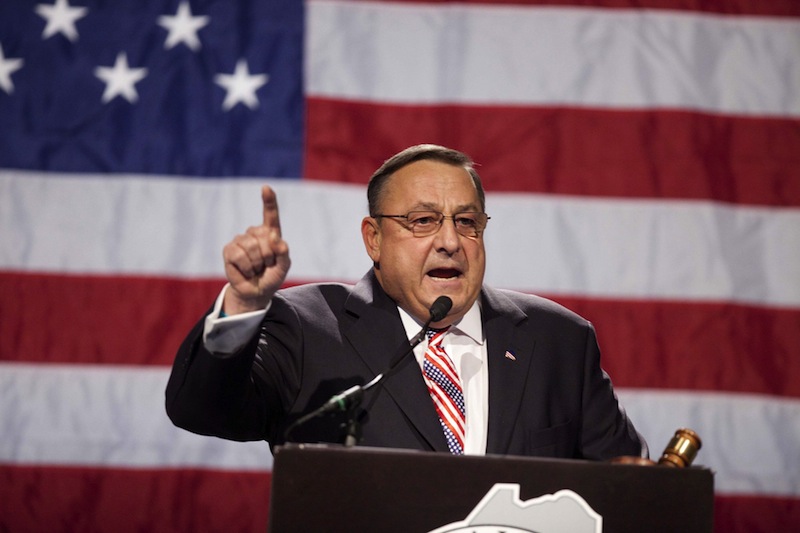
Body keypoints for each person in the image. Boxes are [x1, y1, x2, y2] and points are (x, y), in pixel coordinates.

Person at [166, 144, 647, 459]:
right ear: (373, 239)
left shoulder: (559, 339)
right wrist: (244, 305)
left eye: (467, 222)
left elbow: (626, 489)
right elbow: (202, 410)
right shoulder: (308, 327)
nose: (450, 242)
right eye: (422, 221)